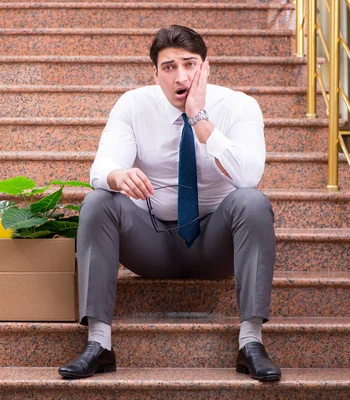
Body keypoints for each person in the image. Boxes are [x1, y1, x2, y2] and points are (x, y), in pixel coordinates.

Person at [58, 25, 281, 382]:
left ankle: (251, 343)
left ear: (205, 67)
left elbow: (248, 176)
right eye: (169, 67)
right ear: (155, 74)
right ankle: (98, 344)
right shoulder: (134, 104)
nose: (181, 77)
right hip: (153, 241)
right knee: (98, 201)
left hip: (215, 244)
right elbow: (103, 167)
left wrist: (200, 120)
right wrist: (118, 176)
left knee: (252, 202)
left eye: (190, 65)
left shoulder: (240, 105)